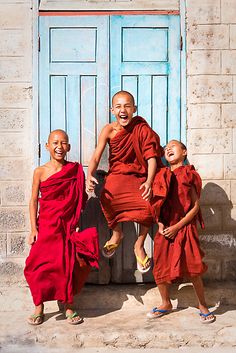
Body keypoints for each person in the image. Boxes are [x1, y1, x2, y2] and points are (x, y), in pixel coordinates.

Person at [86, 91, 170, 273]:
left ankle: (139, 245)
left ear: (134, 109)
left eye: (127, 106)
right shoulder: (108, 130)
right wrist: (89, 174)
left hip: (139, 176)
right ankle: (117, 234)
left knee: (149, 205)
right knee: (106, 198)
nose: (122, 110)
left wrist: (148, 182)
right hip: (117, 174)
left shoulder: (142, 128)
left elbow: (151, 157)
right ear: (112, 110)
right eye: (118, 106)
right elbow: (96, 156)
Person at [24, 129, 99, 325]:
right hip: (46, 226)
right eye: (55, 143)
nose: (59, 147)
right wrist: (33, 229)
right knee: (36, 267)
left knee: (66, 266)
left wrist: (87, 189)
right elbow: (33, 201)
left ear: (69, 147)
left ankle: (68, 306)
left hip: (66, 228)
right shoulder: (39, 172)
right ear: (47, 146)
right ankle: (39, 306)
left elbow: (78, 199)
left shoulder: (75, 170)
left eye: (64, 143)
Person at [148, 140, 215, 324]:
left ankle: (202, 305)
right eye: (166, 148)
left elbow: (195, 207)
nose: (168, 149)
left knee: (193, 267)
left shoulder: (188, 174)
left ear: (184, 152)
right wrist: (160, 223)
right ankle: (165, 303)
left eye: (173, 146)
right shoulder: (160, 174)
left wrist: (178, 227)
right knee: (160, 265)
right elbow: (156, 204)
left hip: (184, 227)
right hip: (165, 227)